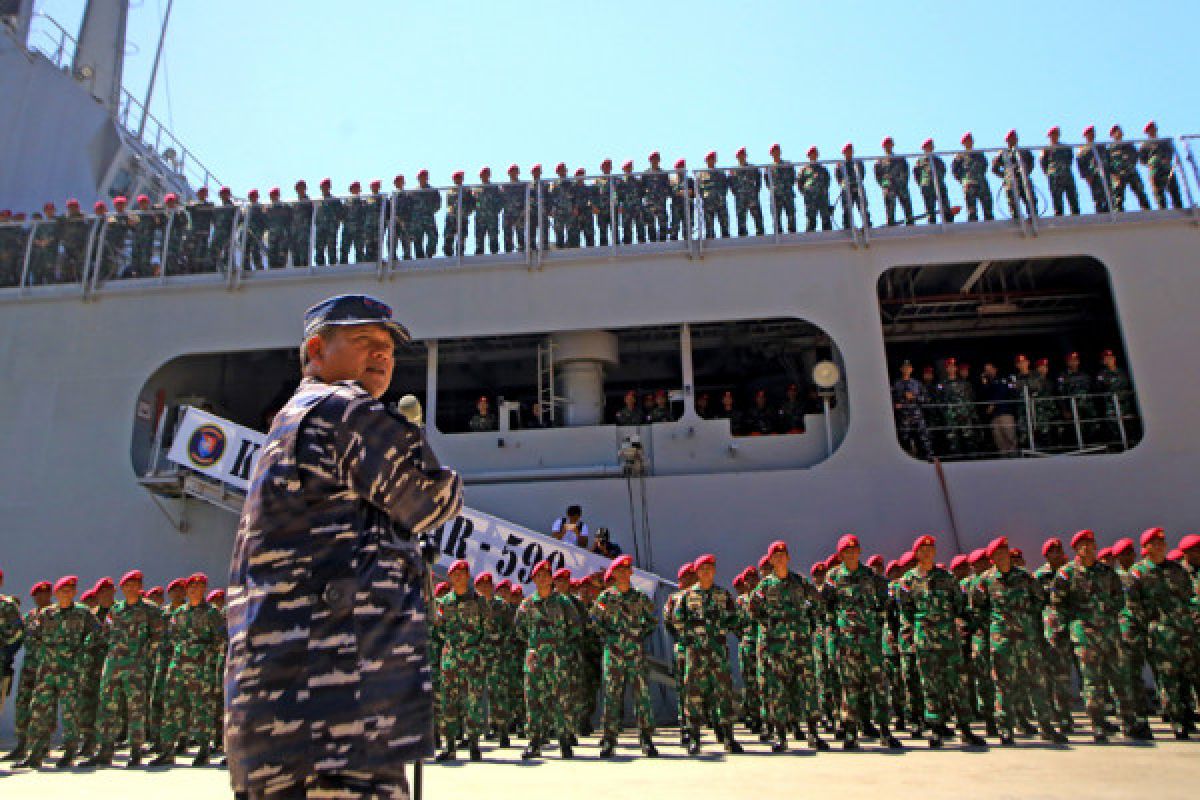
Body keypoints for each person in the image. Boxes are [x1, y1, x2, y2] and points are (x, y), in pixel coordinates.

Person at [225, 293, 463, 798]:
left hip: (280, 708)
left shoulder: (288, 420)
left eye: (387, 347)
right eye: (363, 341)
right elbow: (430, 498)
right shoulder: (343, 410)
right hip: (338, 711)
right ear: (316, 350)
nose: (381, 354)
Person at [1052, 529, 1153, 742]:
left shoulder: (1106, 572)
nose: (1089, 548)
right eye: (1084, 545)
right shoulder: (1066, 574)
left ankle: (1128, 722)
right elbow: (1058, 605)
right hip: (1085, 635)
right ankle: (1098, 724)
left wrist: (1106, 615)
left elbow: (1118, 599)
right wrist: (1074, 625)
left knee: (1120, 678)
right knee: (1092, 681)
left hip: (1110, 633)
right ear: (1076, 549)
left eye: (1091, 544)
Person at [970, 537, 1067, 745]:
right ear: (992, 558)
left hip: (1026, 639)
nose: (1002, 556)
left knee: (1036, 682)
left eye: (1004, 552)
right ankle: (1006, 729)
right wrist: (995, 624)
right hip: (1002, 641)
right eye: (998, 554)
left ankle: (1046, 726)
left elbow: (1039, 599)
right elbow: (977, 608)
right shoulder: (985, 580)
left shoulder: (1025, 577)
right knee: (1003, 685)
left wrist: (1025, 619)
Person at [899, 535, 988, 748]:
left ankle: (965, 728)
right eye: (923, 549)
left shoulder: (947, 578)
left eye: (931, 549)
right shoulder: (908, 581)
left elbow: (959, 606)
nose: (928, 552)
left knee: (958, 684)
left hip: (949, 640)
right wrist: (912, 635)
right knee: (931, 685)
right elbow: (906, 612)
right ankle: (936, 728)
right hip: (925, 642)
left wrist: (970, 624)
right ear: (917, 554)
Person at [747, 541, 828, 753]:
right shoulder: (764, 586)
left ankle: (813, 734)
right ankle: (781, 736)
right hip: (777, 648)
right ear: (771, 560)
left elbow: (818, 604)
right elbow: (752, 609)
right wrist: (770, 625)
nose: (780, 558)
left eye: (783, 554)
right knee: (779, 692)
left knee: (808, 688)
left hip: (801, 645)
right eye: (776, 555)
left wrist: (806, 622)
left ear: (788, 558)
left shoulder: (800, 582)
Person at [823, 534, 901, 750]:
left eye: (854, 550)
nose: (851, 554)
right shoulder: (834, 577)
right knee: (850, 689)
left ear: (859, 552)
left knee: (878, 687)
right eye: (846, 551)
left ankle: (885, 731)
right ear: (840, 555)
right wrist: (834, 636)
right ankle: (850, 733)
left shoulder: (870, 576)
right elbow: (827, 607)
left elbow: (886, 600)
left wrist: (877, 621)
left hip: (870, 641)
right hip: (847, 643)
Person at [81, 569, 164, 768]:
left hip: (135, 666)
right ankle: (105, 750)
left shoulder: (150, 610)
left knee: (136, 709)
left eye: (135, 585)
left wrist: (143, 657)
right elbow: (105, 633)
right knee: (107, 708)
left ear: (140, 587)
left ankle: (136, 751)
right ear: (122, 588)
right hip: (113, 665)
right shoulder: (115, 610)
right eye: (127, 585)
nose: (131, 588)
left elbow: (158, 636)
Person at [18, 575, 102, 769]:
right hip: (47, 672)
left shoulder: (83, 613)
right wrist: (43, 653)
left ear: (74, 593)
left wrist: (83, 649)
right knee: (40, 712)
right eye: (63, 590)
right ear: (56, 593)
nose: (66, 593)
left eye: (70, 590)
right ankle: (36, 754)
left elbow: (99, 632)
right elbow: (31, 635)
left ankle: (69, 752)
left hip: (70, 672)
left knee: (70, 713)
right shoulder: (47, 613)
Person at [1126, 527, 1198, 739]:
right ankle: (1176, 721)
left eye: (1162, 543)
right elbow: (1133, 605)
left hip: (1184, 633)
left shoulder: (1177, 570)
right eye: (1154, 544)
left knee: (1188, 676)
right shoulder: (1137, 573)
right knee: (1168, 680)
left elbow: (1188, 597)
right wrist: (1147, 629)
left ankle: (1187, 715)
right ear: (1145, 548)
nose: (1160, 547)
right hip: (1158, 635)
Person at [673, 553, 743, 755]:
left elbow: (734, 618)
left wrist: (720, 631)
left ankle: (728, 737)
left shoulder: (723, 595)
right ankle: (695, 737)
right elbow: (678, 621)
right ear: (697, 573)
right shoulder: (687, 596)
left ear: (714, 571)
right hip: (695, 652)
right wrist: (693, 636)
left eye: (710, 568)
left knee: (724, 693)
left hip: (718, 652)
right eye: (702, 569)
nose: (706, 572)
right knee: (693, 694)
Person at [592, 554, 659, 757]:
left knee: (642, 697)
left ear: (631, 572)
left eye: (626, 569)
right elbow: (595, 621)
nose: (622, 573)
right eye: (618, 570)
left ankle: (646, 739)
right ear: (613, 574)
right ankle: (609, 739)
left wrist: (637, 635)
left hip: (635, 653)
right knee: (612, 696)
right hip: (613, 654)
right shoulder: (605, 597)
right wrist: (610, 638)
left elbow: (653, 620)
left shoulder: (640, 597)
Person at [514, 560, 581, 759]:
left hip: (558, 658)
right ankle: (534, 742)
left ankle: (564, 741)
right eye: (538, 576)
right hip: (535, 660)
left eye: (545, 575)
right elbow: (520, 630)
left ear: (551, 578)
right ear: (533, 579)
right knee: (533, 701)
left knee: (562, 701)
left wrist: (560, 646)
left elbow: (575, 627)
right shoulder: (526, 605)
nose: (542, 579)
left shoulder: (563, 602)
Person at [432, 560, 489, 762]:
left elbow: (487, 629)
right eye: (454, 574)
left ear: (468, 576)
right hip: (451, 660)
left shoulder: (479, 600)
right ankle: (449, 746)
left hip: (473, 659)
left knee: (474, 702)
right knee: (449, 702)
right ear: (449, 577)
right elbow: (439, 631)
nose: (458, 577)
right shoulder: (444, 602)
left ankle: (474, 743)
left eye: (462, 573)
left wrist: (478, 651)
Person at [1094, 348, 1136, 448]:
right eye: (1106, 358)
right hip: (1112, 408)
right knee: (1115, 431)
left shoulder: (1123, 372)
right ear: (1103, 361)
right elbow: (1100, 389)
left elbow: (1129, 385)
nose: (1109, 360)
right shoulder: (1101, 375)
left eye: (1111, 357)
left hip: (1126, 406)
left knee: (1130, 429)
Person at [991, 130, 1036, 218]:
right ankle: (1016, 217)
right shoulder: (1003, 153)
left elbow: (1031, 164)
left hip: (1023, 179)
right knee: (1013, 201)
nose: (1012, 140)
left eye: (1013, 138)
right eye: (1010, 139)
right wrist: (1005, 176)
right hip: (1011, 181)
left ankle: (1032, 215)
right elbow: (994, 168)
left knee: (1029, 199)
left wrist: (1025, 173)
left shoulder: (1024, 152)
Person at [1139, 121, 1184, 209]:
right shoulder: (1145, 145)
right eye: (1149, 130)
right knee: (1158, 191)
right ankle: (1162, 208)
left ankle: (1178, 207)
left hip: (1166, 168)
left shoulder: (1164, 142)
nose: (1152, 131)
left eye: (1153, 128)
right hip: (1155, 170)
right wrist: (1152, 162)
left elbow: (1170, 152)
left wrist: (1165, 159)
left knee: (1173, 188)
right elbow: (1142, 160)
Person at [892, 360, 931, 459]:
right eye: (904, 368)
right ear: (901, 369)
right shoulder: (896, 384)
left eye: (908, 367)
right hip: (903, 418)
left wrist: (914, 397)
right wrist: (895, 405)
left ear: (912, 369)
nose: (906, 369)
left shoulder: (917, 384)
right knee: (905, 442)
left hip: (917, 417)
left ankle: (927, 460)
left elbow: (926, 399)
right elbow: (889, 399)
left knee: (923, 441)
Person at [1106, 125, 1151, 212]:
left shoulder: (1129, 145)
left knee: (1140, 191)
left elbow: (1135, 156)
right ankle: (1119, 212)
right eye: (1115, 131)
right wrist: (1115, 172)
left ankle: (1146, 209)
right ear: (1112, 135)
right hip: (1118, 174)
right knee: (1118, 195)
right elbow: (1108, 163)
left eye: (1119, 130)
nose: (1118, 132)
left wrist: (1129, 166)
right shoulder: (1110, 149)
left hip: (1131, 172)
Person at [952, 132, 994, 221]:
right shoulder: (959, 156)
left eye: (970, 140)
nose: (969, 142)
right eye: (967, 140)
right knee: (971, 208)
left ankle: (989, 219)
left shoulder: (979, 154)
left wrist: (979, 177)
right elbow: (955, 171)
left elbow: (984, 166)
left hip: (981, 182)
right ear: (963, 143)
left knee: (987, 204)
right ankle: (973, 220)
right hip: (969, 183)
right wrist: (964, 181)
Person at [979, 362, 1018, 455]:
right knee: (998, 439)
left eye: (990, 369)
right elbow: (983, 395)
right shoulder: (986, 383)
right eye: (986, 370)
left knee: (1009, 436)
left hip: (1005, 413)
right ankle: (1004, 459)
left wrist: (993, 404)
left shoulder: (1003, 379)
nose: (988, 371)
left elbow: (1002, 392)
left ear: (995, 369)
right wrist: (983, 381)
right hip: (994, 416)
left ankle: (1015, 458)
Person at [914, 139, 955, 224]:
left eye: (930, 145)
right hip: (927, 186)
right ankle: (931, 223)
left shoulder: (938, 161)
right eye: (927, 146)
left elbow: (943, 171)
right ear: (924, 148)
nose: (929, 147)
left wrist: (938, 180)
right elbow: (917, 174)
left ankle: (948, 222)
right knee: (930, 207)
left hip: (939, 185)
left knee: (945, 205)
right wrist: (923, 183)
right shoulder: (920, 162)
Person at [1041, 126, 1080, 216]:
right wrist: (1049, 172)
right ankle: (1059, 214)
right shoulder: (1046, 149)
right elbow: (1043, 162)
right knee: (1056, 197)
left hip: (1066, 174)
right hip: (1054, 176)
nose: (1054, 136)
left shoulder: (1065, 147)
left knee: (1072, 195)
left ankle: (1075, 213)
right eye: (1052, 134)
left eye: (1055, 133)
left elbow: (1070, 159)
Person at [876, 136, 914, 226]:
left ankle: (910, 221)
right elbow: (878, 177)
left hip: (901, 186)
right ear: (883, 147)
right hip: (889, 188)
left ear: (892, 145)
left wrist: (902, 182)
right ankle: (891, 223)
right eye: (886, 145)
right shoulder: (879, 162)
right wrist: (885, 186)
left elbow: (906, 172)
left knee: (906, 205)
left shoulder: (900, 159)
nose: (888, 146)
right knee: (890, 208)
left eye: (889, 144)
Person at [730, 146, 765, 237]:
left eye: (743, 155)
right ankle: (742, 234)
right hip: (740, 197)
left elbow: (758, 181)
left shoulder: (753, 168)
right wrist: (737, 193)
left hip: (752, 195)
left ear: (745, 156)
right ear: (737, 157)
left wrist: (755, 191)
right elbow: (731, 184)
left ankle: (760, 233)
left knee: (757, 215)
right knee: (741, 216)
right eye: (739, 155)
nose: (741, 157)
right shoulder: (733, 170)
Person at [835, 143, 871, 228]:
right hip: (846, 189)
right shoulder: (840, 165)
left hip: (858, 187)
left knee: (862, 206)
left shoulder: (857, 163)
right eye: (847, 151)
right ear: (844, 153)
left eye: (850, 150)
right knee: (847, 208)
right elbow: (838, 178)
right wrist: (845, 184)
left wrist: (855, 182)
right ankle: (848, 226)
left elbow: (862, 174)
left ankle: (866, 224)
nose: (849, 152)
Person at [764, 143, 797, 234]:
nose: (776, 152)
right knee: (776, 215)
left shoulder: (787, 164)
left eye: (777, 150)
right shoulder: (769, 168)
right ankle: (778, 232)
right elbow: (767, 182)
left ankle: (792, 231)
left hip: (787, 193)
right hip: (776, 195)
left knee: (790, 213)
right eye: (774, 151)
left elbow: (793, 178)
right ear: (771, 154)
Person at [1077, 125, 1110, 213]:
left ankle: (1109, 210)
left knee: (1109, 194)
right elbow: (1081, 165)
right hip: (1094, 176)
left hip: (1105, 174)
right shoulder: (1083, 150)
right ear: (1085, 136)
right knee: (1097, 196)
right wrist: (1086, 176)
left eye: (1092, 132)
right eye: (1089, 133)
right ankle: (1100, 212)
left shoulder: (1101, 147)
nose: (1091, 134)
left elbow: (1108, 159)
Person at [696, 151, 730, 238]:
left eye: (712, 159)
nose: (710, 161)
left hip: (720, 203)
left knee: (724, 225)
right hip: (708, 204)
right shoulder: (701, 175)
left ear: (715, 160)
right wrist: (705, 197)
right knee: (709, 228)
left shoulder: (721, 173)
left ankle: (726, 239)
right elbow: (698, 189)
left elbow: (726, 186)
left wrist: (721, 196)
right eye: (709, 159)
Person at [799, 146, 833, 232]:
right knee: (811, 217)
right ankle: (810, 233)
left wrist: (823, 190)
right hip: (810, 197)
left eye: (814, 153)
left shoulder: (823, 169)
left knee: (825, 216)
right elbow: (799, 183)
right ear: (808, 156)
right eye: (811, 154)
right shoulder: (804, 170)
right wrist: (806, 193)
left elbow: (827, 181)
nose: (813, 155)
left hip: (822, 196)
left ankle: (828, 233)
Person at [444, 170, 476, 257]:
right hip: (452, 217)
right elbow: (449, 204)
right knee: (449, 236)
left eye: (460, 178)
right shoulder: (450, 191)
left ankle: (460, 253)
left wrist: (469, 211)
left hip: (463, 217)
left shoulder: (467, 191)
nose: (458, 180)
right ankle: (448, 254)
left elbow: (475, 203)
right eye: (456, 178)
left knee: (462, 236)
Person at [411, 169, 442, 259]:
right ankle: (419, 256)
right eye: (421, 176)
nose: (423, 178)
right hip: (417, 220)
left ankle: (429, 253)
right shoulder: (413, 192)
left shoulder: (432, 191)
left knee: (433, 236)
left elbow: (437, 204)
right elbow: (410, 205)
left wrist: (429, 211)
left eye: (424, 176)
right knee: (417, 238)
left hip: (429, 218)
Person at [314, 178, 344, 267]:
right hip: (320, 229)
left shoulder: (335, 200)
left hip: (331, 229)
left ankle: (333, 265)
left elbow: (340, 214)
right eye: (323, 186)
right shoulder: (317, 201)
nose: (325, 188)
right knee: (319, 247)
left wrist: (335, 224)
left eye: (327, 186)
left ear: (329, 187)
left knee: (331, 247)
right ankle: (320, 265)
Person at [642, 151, 672, 242]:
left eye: (656, 159)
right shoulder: (646, 174)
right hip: (650, 203)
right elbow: (642, 188)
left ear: (659, 160)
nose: (654, 161)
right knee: (650, 223)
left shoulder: (663, 174)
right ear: (650, 161)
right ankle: (652, 241)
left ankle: (663, 240)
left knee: (663, 222)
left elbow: (668, 187)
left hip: (660, 203)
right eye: (653, 159)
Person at [615, 159, 646, 245]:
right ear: (623, 169)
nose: (628, 169)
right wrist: (618, 205)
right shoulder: (620, 183)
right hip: (626, 208)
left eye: (629, 167)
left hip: (637, 207)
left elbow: (643, 193)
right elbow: (616, 194)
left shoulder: (637, 181)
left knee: (640, 225)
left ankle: (642, 242)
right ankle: (627, 243)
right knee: (626, 226)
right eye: (627, 167)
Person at [501, 164, 529, 253]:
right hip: (508, 214)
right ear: (509, 173)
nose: (513, 173)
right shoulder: (505, 186)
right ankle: (508, 251)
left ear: (518, 172)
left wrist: (524, 210)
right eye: (511, 171)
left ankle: (522, 249)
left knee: (520, 233)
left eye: (515, 171)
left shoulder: (523, 186)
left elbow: (527, 199)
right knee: (507, 234)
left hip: (519, 214)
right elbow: (500, 199)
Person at [474, 166, 502, 255]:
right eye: (483, 174)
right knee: (479, 236)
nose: (484, 175)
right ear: (480, 176)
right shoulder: (476, 189)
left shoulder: (494, 188)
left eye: (486, 173)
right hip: (480, 217)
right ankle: (479, 252)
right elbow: (474, 202)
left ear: (489, 175)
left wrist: (495, 210)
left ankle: (494, 252)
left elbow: (500, 201)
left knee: (493, 236)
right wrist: (478, 207)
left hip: (492, 217)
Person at [265, 187, 291, 268]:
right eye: (271, 195)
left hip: (282, 235)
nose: (273, 197)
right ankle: (272, 268)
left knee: (282, 255)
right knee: (272, 254)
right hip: (272, 235)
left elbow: (290, 219)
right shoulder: (268, 209)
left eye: (274, 195)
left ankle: (281, 267)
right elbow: (265, 221)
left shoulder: (285, 207)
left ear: (278, 195)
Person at [290, 180, 314, 267]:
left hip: (304, 230)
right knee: (295, 250)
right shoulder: (294, 203)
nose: (300, 189)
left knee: (304, 250)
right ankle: (296, 267)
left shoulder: (309, 202)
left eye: (302, 187)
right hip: (295, 231)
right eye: (298, 188)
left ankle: (305, 267)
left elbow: (312, 215)